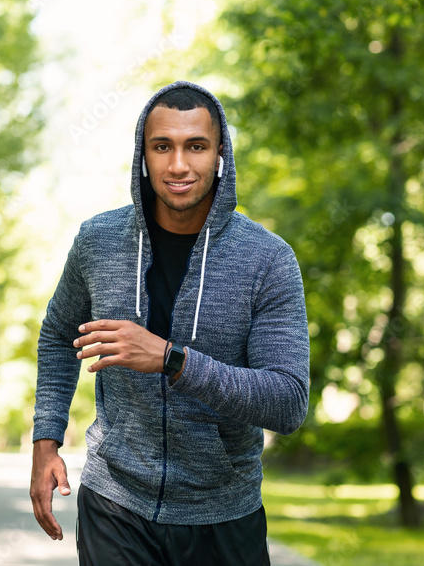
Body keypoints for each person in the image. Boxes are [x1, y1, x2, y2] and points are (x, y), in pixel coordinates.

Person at [30, 80, 310, 565]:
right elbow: (58, 335)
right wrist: (45, 441)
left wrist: (170, 359)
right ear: (143, 154)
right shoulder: (98, 242)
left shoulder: (267, 259)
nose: (178, 165)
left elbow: (286, 402)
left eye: (195, 146)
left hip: (222, 512)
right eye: (163, 146)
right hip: (116, 501)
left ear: (221, 153)